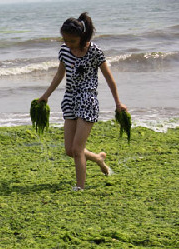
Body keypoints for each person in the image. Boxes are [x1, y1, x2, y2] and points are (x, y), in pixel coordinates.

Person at [39, 12, 126, 191]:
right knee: (70, 150)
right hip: (69, 99)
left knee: (78, 149)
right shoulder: (64, 51)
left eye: (71, 41)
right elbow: (59, 75)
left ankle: (80, 187)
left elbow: (109, 78)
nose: (67, 44)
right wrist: (46, 95)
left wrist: (118, 103)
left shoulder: (95, 51)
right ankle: (97, 158)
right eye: (64, 40)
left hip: (88, 99)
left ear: (81, 36)